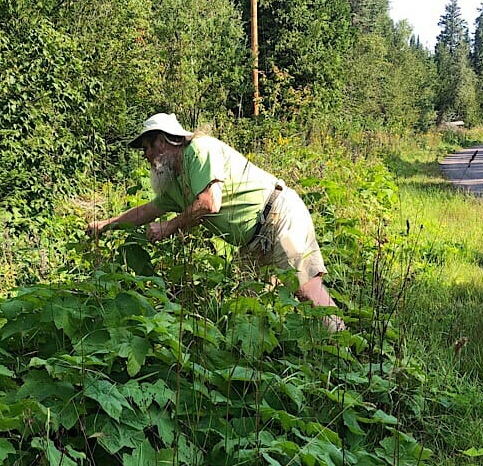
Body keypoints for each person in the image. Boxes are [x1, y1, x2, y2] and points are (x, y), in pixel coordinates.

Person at [86, 112, 344, 329]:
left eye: (147, 148)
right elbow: (147, 211)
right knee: (246, 311)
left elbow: (210, 202)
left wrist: (169, 227)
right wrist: (105, 225)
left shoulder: (198, 150)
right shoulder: (176, 183)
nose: (146, 156)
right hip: (253, 240)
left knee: (307, 290)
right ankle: (274, 367)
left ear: (164, 142)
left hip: (277, 216)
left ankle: (345, 352)